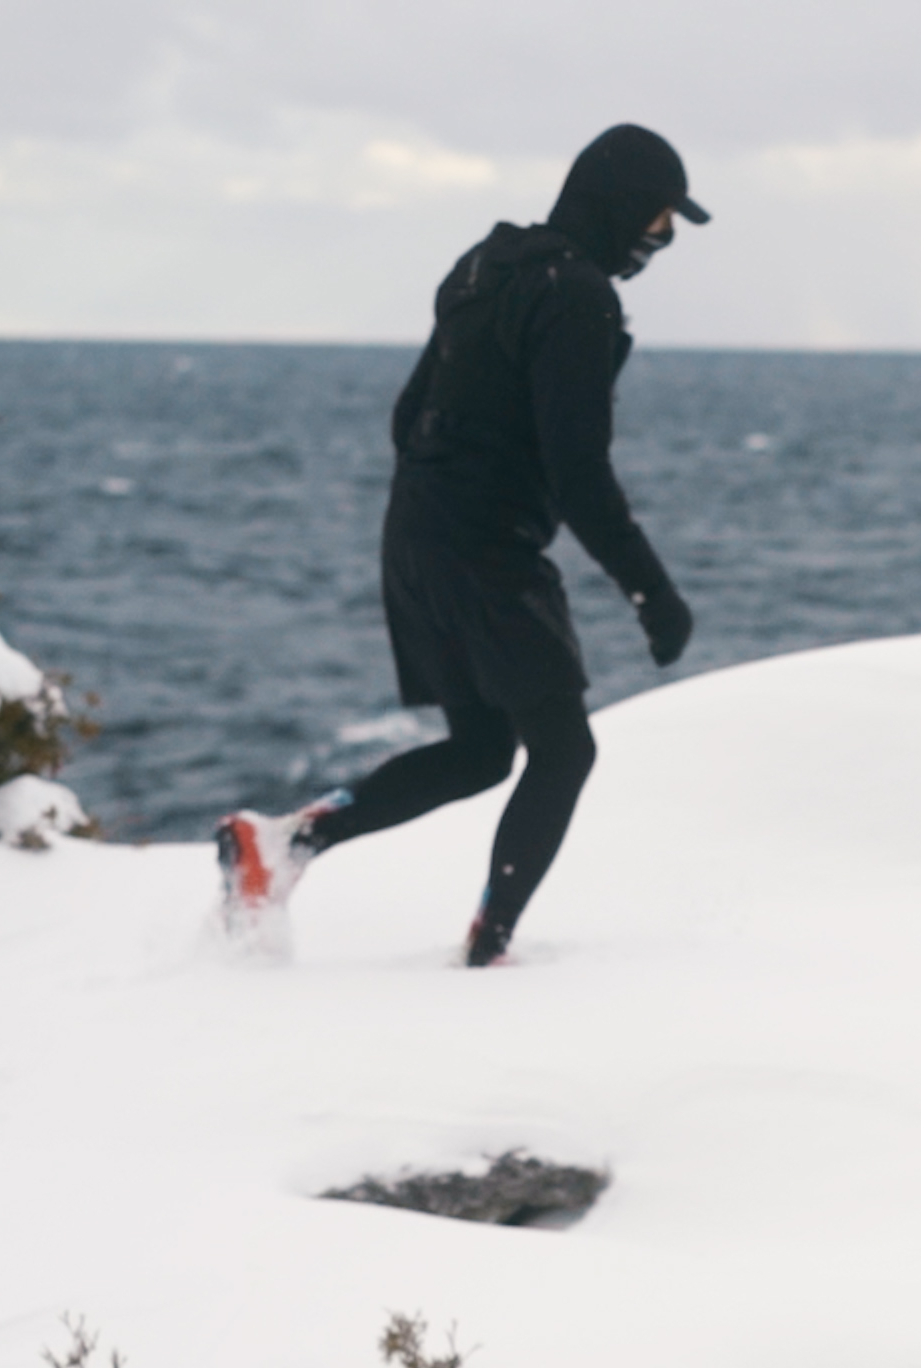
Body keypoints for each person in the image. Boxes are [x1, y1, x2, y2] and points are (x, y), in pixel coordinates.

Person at [216, 123, 707, 966]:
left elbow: (407, 418)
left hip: (414, 532)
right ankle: (489, 957)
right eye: (656, 221)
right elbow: (580, 473)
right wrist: (650, 592)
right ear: (619, 206)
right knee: (564, 749)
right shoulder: (579, 295)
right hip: (485, 548)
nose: (656, 243)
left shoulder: (483, 268)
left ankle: (282, 843)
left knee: (484, 751)